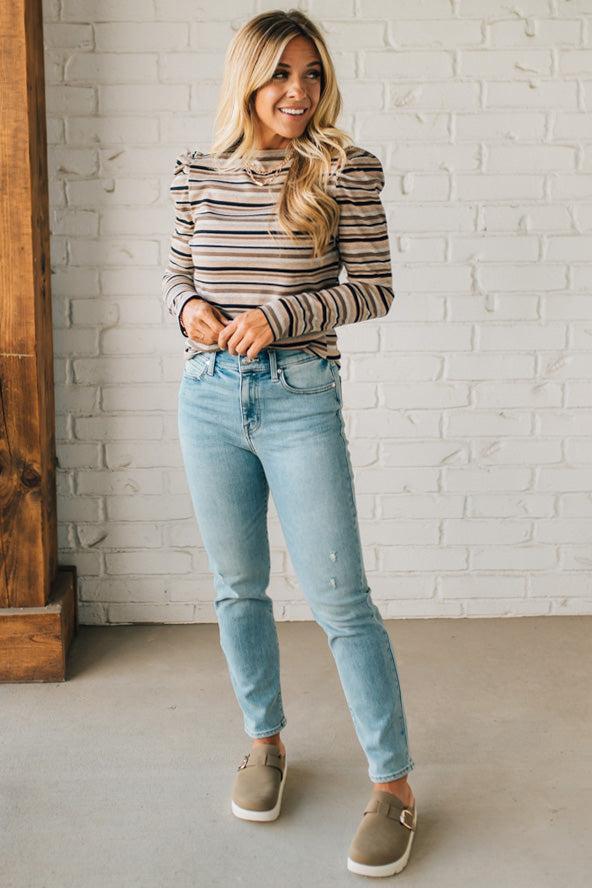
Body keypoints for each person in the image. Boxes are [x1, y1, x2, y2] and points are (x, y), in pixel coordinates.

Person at [162, 8, 417, 878]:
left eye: (311, 73)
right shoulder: (196, 171)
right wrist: (189, 312)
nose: (298, 90)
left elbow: (374, 289)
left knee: (342, 601)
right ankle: (265, 742)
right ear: (247, 78)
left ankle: (394, 787)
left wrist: (281, 316)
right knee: (238, 588)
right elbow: (175, 276)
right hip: (207, 396)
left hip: (300, 396)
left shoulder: (344, 168)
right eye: (280, 73)